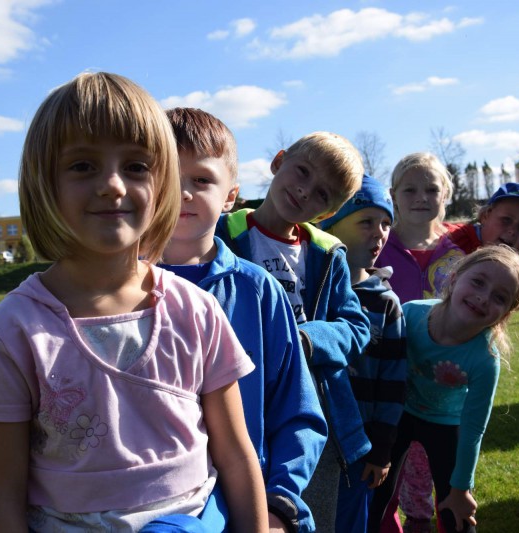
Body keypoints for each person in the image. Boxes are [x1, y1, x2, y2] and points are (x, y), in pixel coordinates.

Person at [0, 72, 268, 532]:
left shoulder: (196, 310)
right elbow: (1, 501)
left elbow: (237, 457)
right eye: (83, 166)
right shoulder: (10, 331)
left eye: (137, 166)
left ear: (163, 184)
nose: (113, 185)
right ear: (44, 182)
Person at [159, 107, 328, 532]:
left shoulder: (258, 291)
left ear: (230, 196)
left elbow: (298, 412)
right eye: (167, 177)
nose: (183, 193)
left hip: (248, 511)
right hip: (151, 510)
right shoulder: (117, 289)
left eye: (201, 180)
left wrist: (279, 506)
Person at [214, 131, 373, 529]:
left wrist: (306, 339)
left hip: (309, 412)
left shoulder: (327, 254)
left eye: (322, 194)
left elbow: (356, 326)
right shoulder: (219, 233)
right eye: (302, 171)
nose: (305, 190)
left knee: (295, 513)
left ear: (327, 211)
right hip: (231, 398)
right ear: (278, 161)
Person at [368, 245, 519, 533]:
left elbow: (473, 428)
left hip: (446, 425)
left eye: (499, 297)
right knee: (373, 497)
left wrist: (461, 489)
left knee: (455, 512)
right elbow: (381, 372)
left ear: (506, 314)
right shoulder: (410, 314)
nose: (484, 298)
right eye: (478, 282)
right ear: (455, 278)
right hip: (399, 414)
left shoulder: (484, 359)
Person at [375, 152, 467, 533]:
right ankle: (395, 521)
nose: (421, 197)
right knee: (387, 463)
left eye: (431, 189)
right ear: (394, 195)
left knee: (440, 465)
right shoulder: (377, 242)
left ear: (446, 193)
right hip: (389, 374)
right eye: (410, 189)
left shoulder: (463, 244)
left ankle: (428, 519)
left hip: (446, 380)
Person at [316, 175, 407, 532]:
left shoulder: (386, 303)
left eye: (386, 223)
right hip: (308, 440)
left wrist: (382, 450)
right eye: (366, 221)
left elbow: (392, 385)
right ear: (330, 223)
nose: (379, 233)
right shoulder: (312, 288)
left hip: (360, 451)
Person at [445, 182, 519, 255]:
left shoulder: (518, 270)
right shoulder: (448, 239)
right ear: (485, 215)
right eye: (506, 220)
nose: (513, 231)